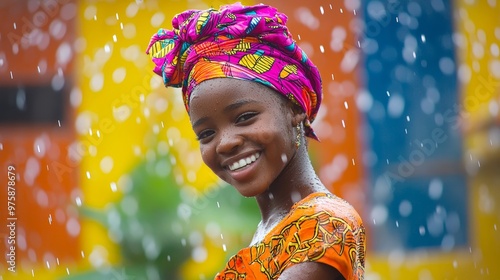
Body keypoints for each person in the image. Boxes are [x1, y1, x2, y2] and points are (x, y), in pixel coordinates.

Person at [146, 3, 365, 279]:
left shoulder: (323, 225)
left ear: (294, 107)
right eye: (206, 134)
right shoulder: (272, 231)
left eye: (245, 117)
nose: (225, 143)